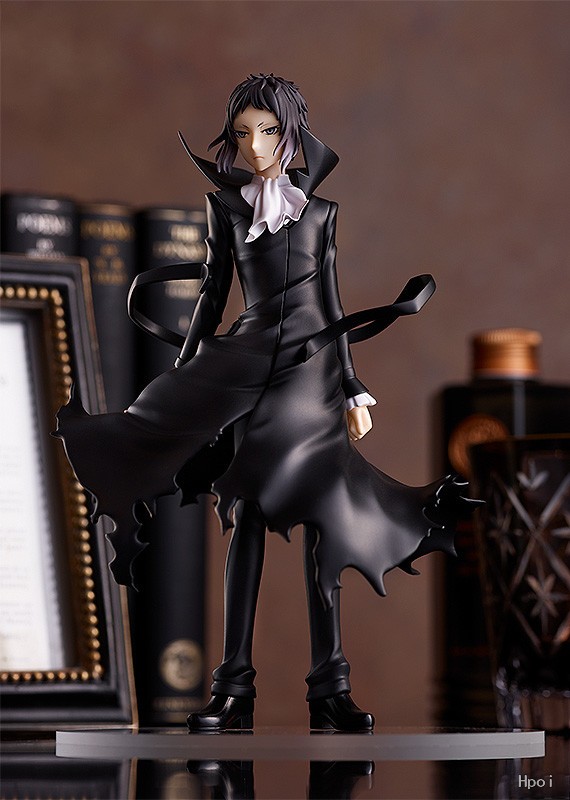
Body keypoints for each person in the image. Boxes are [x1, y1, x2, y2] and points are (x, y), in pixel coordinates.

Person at [55, 73, 476, 732]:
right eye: (243, 133)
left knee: (325, 523)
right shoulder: (225, 209)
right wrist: (187, 373)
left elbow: (331, 303)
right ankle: (233, 688)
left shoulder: (322, 213)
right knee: (244, 518)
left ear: (293, 133)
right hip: (245, 370)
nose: (254, 147)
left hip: (312, 380)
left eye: (269, 131)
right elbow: (211, 292)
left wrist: (353, 387)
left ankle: (330, 688)